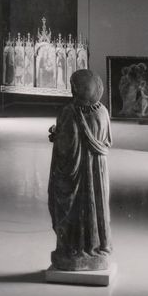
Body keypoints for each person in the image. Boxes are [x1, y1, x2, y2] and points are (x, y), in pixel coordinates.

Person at [47, 69, 113, 272]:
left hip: (79, 175)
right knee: (96, 206)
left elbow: (68, 150)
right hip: (98, 172)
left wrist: (56, 136)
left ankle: (76, 249)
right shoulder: (102, 111)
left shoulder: (71, 112)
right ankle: (98, 246)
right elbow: (106, 141)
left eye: (74, 86)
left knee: (77, 207)